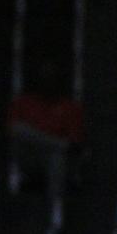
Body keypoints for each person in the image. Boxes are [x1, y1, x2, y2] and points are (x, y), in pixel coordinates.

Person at [7, 56, 84, 193]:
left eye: (52, 76)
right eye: (45, 76)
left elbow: (73, 144)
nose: (48, 80)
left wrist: (55, 147)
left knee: (57, 157)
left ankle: (54, 206)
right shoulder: (23, 103)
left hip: (58, 158)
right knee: (19, 129)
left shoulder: (70, 108)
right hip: (29, 155)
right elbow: (14, 130)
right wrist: (54, 143)